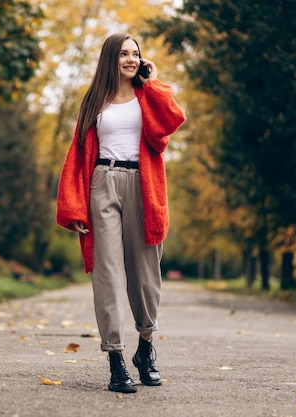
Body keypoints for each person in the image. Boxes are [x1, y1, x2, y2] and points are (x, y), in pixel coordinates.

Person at [56, 33, 186, 394]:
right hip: (102, 182)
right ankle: (115, 360)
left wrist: (154, 82)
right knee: (108, 275)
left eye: (136, 54)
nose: (131, 59)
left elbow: (173, 121)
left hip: (142, 185)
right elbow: (77, 152)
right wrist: (74, 205)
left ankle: (145, 350)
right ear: (110, 59)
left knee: (145, 275)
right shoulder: (95, 99)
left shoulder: (148, 95)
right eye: (124, 54)